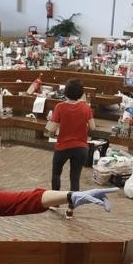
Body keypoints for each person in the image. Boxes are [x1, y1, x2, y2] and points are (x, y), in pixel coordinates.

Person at [46, 79, 96, 214]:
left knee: (56, 173)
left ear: (66, 92)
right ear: (81, 93)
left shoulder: (60, 107)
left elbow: (52, 130)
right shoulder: (86, 107)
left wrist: (53, 128)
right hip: (81, 147)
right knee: (75, 178)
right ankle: (71, 208)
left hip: (63, 146)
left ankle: (55, 203)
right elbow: (92, 127)